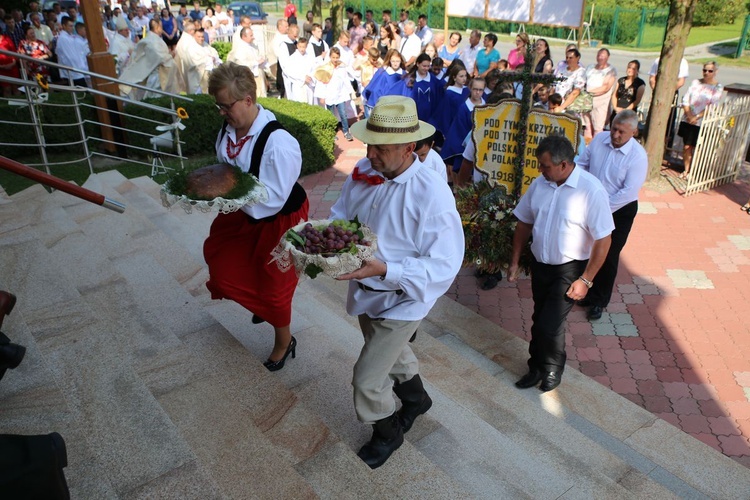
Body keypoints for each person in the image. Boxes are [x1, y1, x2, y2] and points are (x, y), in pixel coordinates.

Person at [330, 95, 464, 469]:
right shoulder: (364, 171)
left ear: (409, 148)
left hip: (404, 297)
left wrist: (387, 270)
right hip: (365, 285)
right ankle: (418, 400)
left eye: (382, 148)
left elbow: (445, 264)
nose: (371, 154)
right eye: (369, 143)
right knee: (387, 349)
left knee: (367, 378)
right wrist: (324, 242)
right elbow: (341, 214)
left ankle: (387, 433)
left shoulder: (432, 193)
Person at [204, 62, 309, 371]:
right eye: (218, 106)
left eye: (226, 106)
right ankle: (259, 303)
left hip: (279, 217)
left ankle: (283, 341)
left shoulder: (279, 143)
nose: (222, 112)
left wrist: (227, 195)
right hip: (244, 211)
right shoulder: (229, 129)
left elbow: (272, 200)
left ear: (248, 100)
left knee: (275, 287)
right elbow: (227, 169)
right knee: (221, 263)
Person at [508, 135, 614, 392]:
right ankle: (535, 367)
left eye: (545, 166)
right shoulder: (540, 184)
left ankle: (553, 367)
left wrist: (586, 280)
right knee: (539, 316)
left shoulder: (591, 190)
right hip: (541, 264)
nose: (540, 170)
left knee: (550, 322)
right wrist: (514, 261)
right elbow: (524, 221)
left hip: (570, 268)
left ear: (564, 164)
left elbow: (604, 239)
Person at [575, 110, 647, 320]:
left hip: (619, 210)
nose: (615, 135)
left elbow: (628, 192)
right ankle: (584, 289)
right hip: (593, 204)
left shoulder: (638, 156)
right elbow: (582, 163)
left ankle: (599, 300)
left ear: (633, 132)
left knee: (608, 254)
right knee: (586, 248)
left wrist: (601, 209)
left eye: (621, 132)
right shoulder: (599, 140)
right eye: (614, 128)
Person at [677, 61, 723, 180]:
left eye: (710, 71)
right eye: (704, 70)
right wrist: (688, 114)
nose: (706, 73)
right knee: (686, 146)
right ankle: (686, 170)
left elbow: (713, 105)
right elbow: (686, 98)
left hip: (702, 121)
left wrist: (697, 117)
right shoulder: (695, 82)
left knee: (698, 148)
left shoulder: (717, 87)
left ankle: (694, 171)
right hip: (688, 118)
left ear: (715, 72)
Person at [119, 18, 179, 100]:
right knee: (156, 99)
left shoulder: (153, 38)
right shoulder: (152, 41)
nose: (162, 29)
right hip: (156, 76)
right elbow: (159, 57)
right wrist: (171, 55)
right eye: (161, 27)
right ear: (157, 27)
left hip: (160, 73)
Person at [388, 53, 443, 123]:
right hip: (411, 117)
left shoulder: (434, 81)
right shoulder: (408, 80)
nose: (426, 68)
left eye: (428, 66)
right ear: (417, 64)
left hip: (429, 118)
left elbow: (438, 99)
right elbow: (396, 93)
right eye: (424, 66)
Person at [225, 25, 267, 98]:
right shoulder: (240, 49)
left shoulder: (253, 46)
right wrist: (256, 63)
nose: (253, 37)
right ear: (244, 36)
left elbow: (257, 57)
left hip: (258, 76)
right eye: (251, 35)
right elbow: (242, 64)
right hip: (248, 78)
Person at [321, 47, 354, 141]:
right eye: (333, 57)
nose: (335, 59)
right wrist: (322, 96)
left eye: (337, 57)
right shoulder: (326, 67)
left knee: (343, 114)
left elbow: (346, 80)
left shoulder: (342, 67)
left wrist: (350, 91)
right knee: (331, 115)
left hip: (340, 95)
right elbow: (322, 82)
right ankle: (331, 132)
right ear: (330, 57)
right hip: (330, 95)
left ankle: (346, 131)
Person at [585, 48, 617, 138]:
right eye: (599, 55)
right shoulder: (590, 67)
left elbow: (605, 87)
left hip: (600, 103)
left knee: (598, 129)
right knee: (587, 127)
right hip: (586, 102)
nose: (600, 58)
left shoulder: (611, 70)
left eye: (603, 56)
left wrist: (589, 91)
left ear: (608, 57)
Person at [610, 60, 645, 127]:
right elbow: (614, 95)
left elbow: (637, 100)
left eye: (633, 69)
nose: (630, 70)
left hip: (629, 113)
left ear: (637, 71)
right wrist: (615, 107)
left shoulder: (640, 84)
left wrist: (625, 110)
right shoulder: (621, 80)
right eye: (629, 67)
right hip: (617, 110)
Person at [55, 17, 88, 87]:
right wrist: (79, 69)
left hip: (78, 69)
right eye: (70, 26)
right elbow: (69, 57)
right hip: (74, 71)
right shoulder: (63, 39)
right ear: (64, 26)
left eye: (73, 26)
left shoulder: (71, 37)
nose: (72, 28)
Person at [554, 48, 586, 114]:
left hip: (568, 108)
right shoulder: (562, 69)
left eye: (571, 58)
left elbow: (575, 92)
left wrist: (561, 107)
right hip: (555, 104)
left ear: (578, 58)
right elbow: (554, 86)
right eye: (567, 57)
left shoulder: (581, 72)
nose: (568, 60)